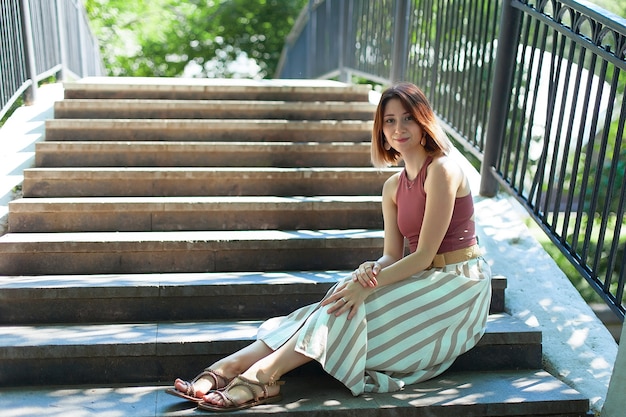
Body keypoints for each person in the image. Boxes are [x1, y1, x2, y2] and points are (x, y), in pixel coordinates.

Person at [166, 82, 492, 412]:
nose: (399, 128)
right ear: (381, 130)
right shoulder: (392, 187)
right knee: (342, 294)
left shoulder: (443, 169)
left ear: (424, 122)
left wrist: (367, 288)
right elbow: (393, 255)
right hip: (421, 279)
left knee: (354, 301)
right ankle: (235, 365)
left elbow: (422, 256)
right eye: (389, 120)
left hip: (457, 283)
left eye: (407, 118)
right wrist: (370, 270)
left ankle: (264, 374)